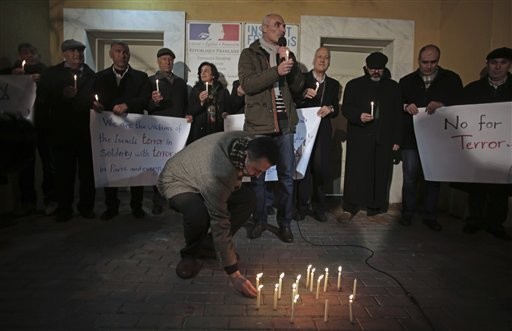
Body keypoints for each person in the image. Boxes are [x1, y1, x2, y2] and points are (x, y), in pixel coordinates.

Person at [157, 132, 278, 297]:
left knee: (248, 200)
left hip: (201, 174)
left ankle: (209, 247)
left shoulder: (248, 143)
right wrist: (234, 274)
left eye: (263, 171)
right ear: (247, 156)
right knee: (197, 213)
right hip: (178, 179)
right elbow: (220, 221)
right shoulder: (220, 173)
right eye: (256, 169)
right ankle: (190, 255)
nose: (258, 175)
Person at [238, 13, 305, 242]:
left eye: (284, 26)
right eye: (278, 25)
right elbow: (248, 84)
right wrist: (276, 70)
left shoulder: (287, 53)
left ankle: (285, 224)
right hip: (259, 124)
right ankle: (259, 220)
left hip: (285, 124)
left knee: (287, 177)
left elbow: (297, 87)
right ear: (264, 28)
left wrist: (291, 66)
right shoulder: (249, 54)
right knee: (258, 177)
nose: (283, 29)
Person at [399, 45, 463, 231]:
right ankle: (407, 213)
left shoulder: (451, 79)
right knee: (410, 176)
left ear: (438, 60)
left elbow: (461, 103)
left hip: (438, 139)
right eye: (424, 62)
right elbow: (396, 103)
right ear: (418, 60)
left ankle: (430, 214)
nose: (428, 66)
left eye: (433, 62)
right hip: (412, 137)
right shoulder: (407, 81)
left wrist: (442, 104)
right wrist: (405, 106)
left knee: (433, 177)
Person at [35, 39, 96, 222]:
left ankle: (86, 207)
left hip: (87, 133)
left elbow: (97, 98)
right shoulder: (51, 74)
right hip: (61, 133)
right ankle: (64, 209)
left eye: (80, 51)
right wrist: (61, 95)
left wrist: (98, 105)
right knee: (63, 174)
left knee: (87, 174)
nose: (77, 55)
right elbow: (42, 101)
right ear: (64, 54)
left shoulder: (92, 76)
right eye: (72, 51)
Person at [339, 52, 401, 222]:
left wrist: (396, 140)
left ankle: (376, 209)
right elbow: (346, 109)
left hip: (384, 138)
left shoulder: (393, 87)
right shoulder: (353, 85)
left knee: (380, 172)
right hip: (359, 137)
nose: (375, 72)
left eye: (379, 69)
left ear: (384, 69)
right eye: (372, 68)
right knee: (355, 173)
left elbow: (398, 115)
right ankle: (349, 207)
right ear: (366, 68)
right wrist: (359, 115)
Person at [92, 41, 151, 221]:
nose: (122, 55)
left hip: (133, 130)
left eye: (125, 52)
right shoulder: (100, 77)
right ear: (111, 54)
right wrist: (95, 105)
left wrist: (128, 105)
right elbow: (93, 98)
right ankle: (111, 206)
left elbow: (145, 99)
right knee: (111, 168)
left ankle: (137, 205)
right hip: (109, 132)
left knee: (136, 168)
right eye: (118, 51)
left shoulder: (141, 77)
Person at [459, 47, 512, 241]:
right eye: (493, 63)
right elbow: (459, 113)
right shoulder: (473, 89)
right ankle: (474, 220)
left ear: (509, 65)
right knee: (477, 186)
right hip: (479, 147)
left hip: (506, 149)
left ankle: (496, 224)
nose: (498, 67)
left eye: (503, 63)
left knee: (501, 187)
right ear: (487, 65)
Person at [294, 47, 341, 223]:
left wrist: (330, 108)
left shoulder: (334, 84)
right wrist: (303, 94)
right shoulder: (302, 79)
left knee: (321, 170)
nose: (322, 60)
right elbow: (293, 102)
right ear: (314, 59)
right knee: (302, 168)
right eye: (320, 57)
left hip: (323, 132)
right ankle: (301, 207)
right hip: (303, 130)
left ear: (329, 62)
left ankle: (319, 207)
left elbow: (336, 108)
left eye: (326, 58)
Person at [148, 47, 191, 215]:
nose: (167, 62)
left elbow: (186, 104)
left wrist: (188, 114)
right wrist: (154, 102)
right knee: (158, 167)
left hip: (177, 132)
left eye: (170, 59)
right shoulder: (151, 81)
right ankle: (157, 200)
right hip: (159, 130)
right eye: (164, 59)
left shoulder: (181, 83)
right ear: (158, 62)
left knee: (176, 167)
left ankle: (175, 199)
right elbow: (146, 104)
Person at [9, 43, 47, 217]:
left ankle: (50, 199)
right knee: (25, 165)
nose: (28, 56)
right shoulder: (13, 70)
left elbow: (53, 84)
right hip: (23, 127)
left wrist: (40, 79)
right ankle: (27, 202)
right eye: (23, 53)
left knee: (48, 162)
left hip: (44, 124)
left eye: (31, 53)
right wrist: (13, 76)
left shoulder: (45, 72)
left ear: (37, 54)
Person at [186, 62, 230, 143]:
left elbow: (229, 109)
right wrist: (201, 103)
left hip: (218, 130)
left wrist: (225, 113)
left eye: (206, 71)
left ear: (213, 75)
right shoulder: (196, 90)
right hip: (200, 131)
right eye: (201, 71)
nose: (202, 73)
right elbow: (190, 111)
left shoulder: (222, 91)